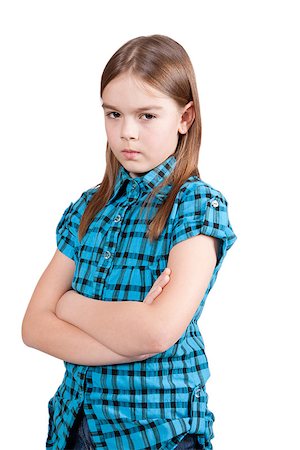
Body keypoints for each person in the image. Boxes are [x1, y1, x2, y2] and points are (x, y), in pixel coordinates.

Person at [22, 34, 237, 450]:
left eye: (147, 116)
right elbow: (34, 326)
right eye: (114, 114)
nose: (127, 133)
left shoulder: (196, 205)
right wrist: (130, 338)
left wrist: (68, 305)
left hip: (158, 432)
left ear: (185, 117)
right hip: (75, 423)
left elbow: (156, 334)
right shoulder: (89, 207)